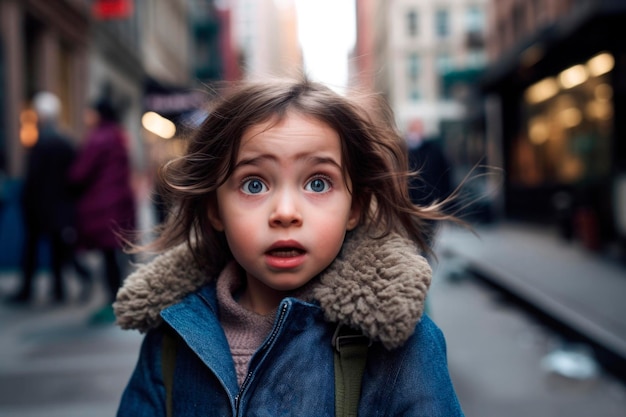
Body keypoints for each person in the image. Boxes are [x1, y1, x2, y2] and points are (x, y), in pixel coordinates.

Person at [113, 78, 465, 416]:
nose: (285, 213)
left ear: (354, 207)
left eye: (317, 182)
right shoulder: (171, 342)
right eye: (253, 185)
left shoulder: (400, 347)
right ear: (214, 209)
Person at [9, 91, 90, 304]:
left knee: (34, 250)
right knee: (57, 251)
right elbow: (75, 177)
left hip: (40, 207)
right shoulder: (65, 142)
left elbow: (34, 178)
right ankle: (58, 290)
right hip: (58, 206)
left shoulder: (42, 143)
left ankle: (29, 290)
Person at [69, 97, 136, 323]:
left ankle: (113, 301)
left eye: (90, 112)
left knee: (108, 255)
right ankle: (116, 299)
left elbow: (79, 173)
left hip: (102, 206)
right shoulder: (118, 136)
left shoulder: (98, 138)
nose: (87, 117)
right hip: (117, 204)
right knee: (112, 255)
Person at [406, 118, 452, 247]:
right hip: (411, 206)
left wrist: (445, 201)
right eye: (415, 128)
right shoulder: (404, 151)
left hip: (431, 204)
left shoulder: (434, 150)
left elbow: (444, 175)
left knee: (427, 239)